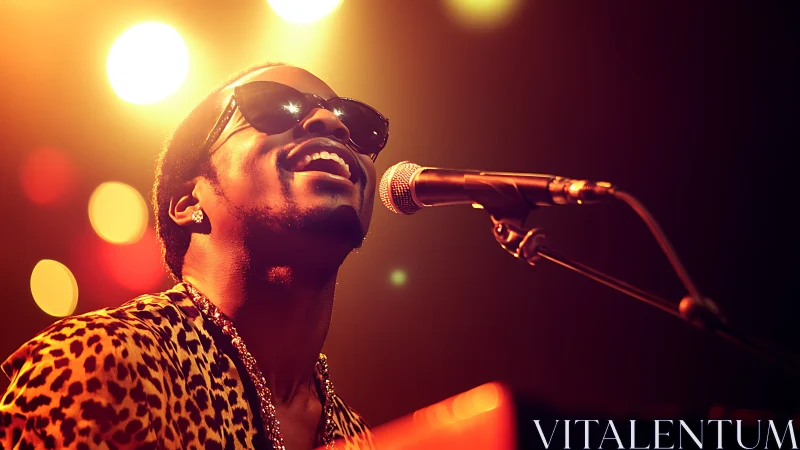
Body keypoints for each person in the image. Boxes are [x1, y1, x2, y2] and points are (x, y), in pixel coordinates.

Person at [0, 62, 389, 449]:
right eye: (274, 105)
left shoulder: (360, 438)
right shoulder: (104, 360)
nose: (332, 123)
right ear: (189, 203)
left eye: (352, 122)